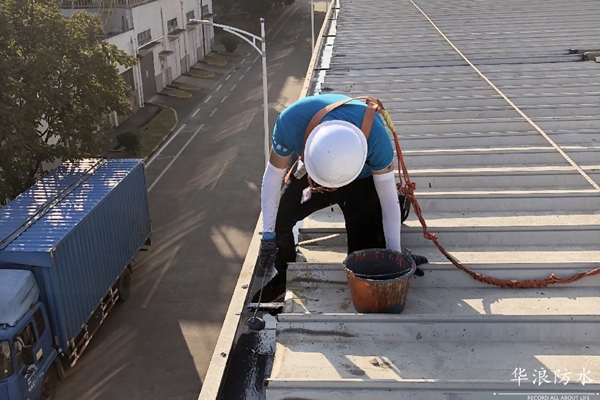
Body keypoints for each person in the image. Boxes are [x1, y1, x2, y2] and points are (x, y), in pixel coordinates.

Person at [253, 94, 429, 303]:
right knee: (281, 218)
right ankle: (283, 277)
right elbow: (273, 176)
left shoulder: (376, 139)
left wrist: (395, 254)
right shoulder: (291, 121)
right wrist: (268, 234)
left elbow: (388, 199)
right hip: (315, 174)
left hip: (360, 178)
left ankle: (376, 235)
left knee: (363, 258)